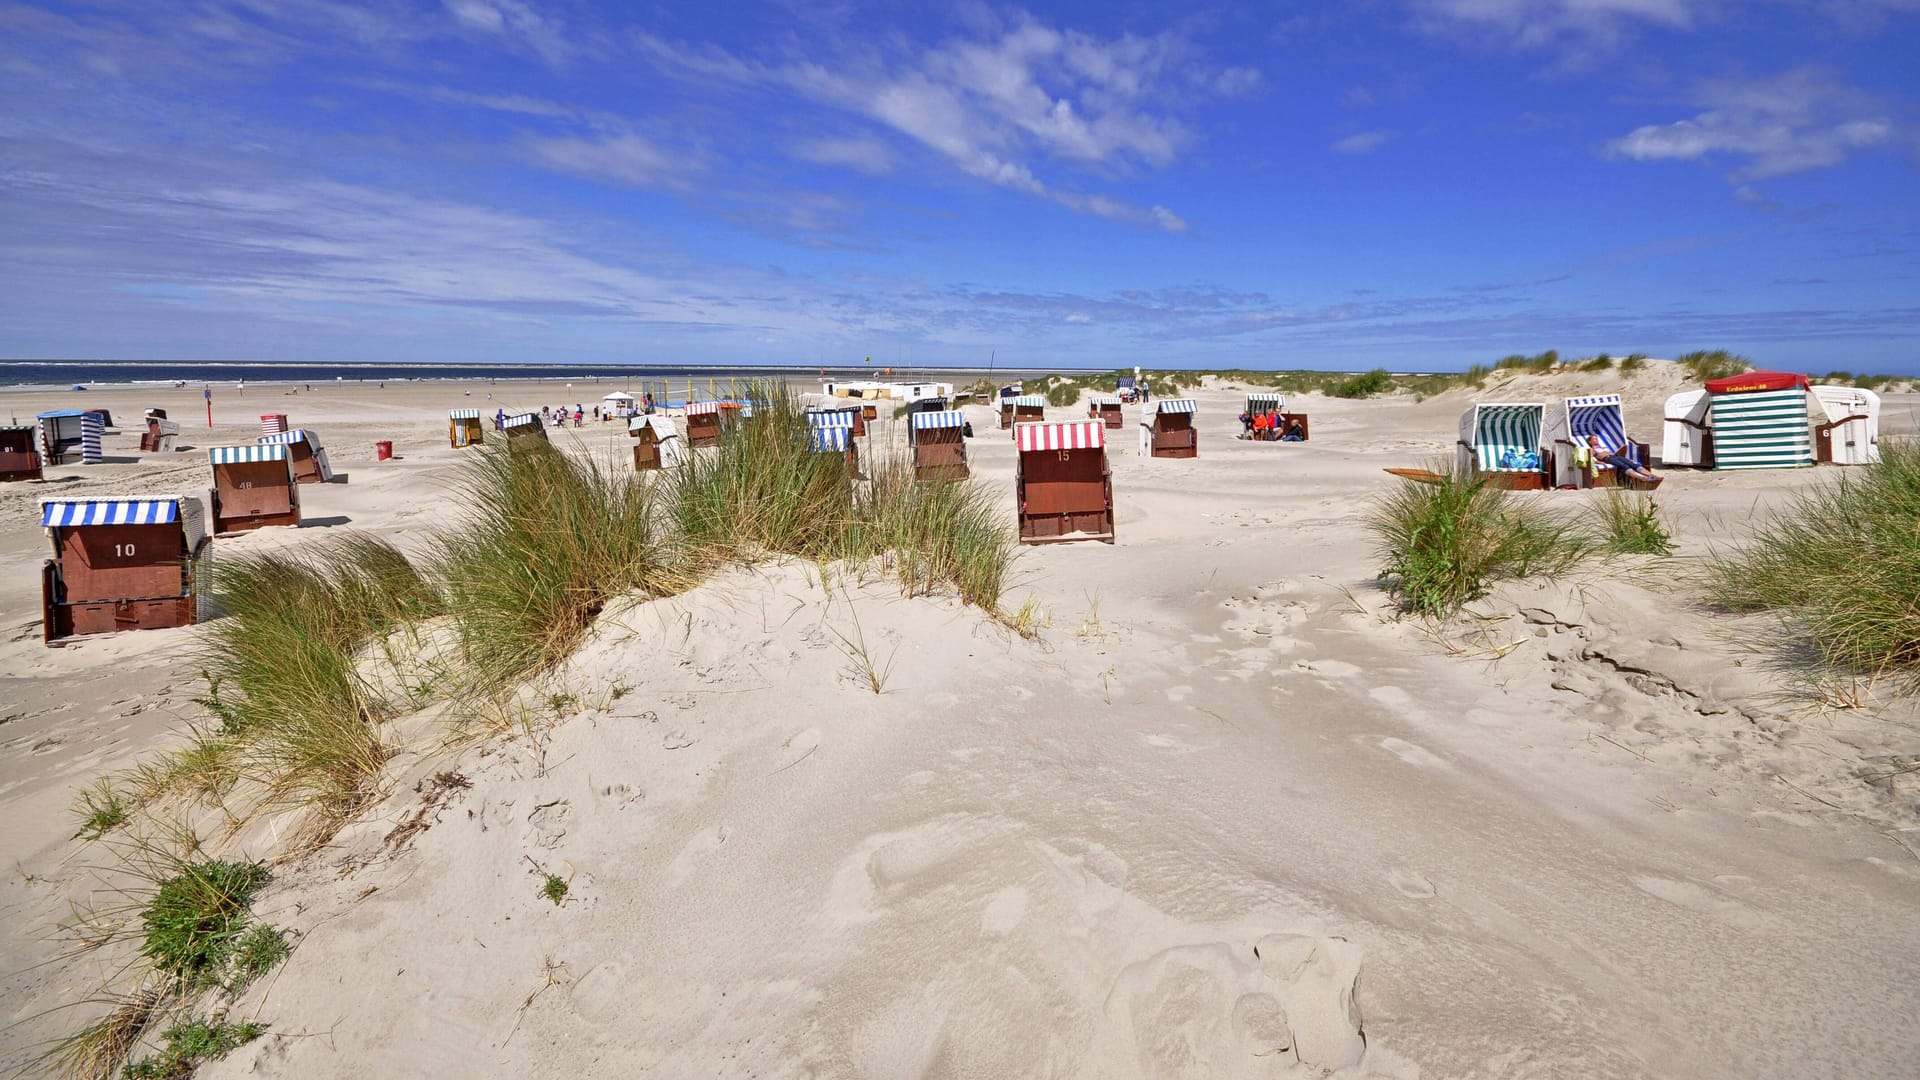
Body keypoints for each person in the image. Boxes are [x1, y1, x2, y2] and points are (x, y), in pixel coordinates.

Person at [1587, 433, 1659, 485]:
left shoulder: (1603, 447)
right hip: (1608, 458)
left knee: (1633, 464)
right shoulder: (1592, 449)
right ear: (1590, 442)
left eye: (1596, 438)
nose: (1596, 440)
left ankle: (1651, 476)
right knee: (1624, 466)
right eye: (1594, 439)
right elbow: (1591, 458)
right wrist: (1600, 463)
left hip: (1615, 456)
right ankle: (1642, 478)